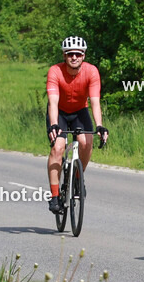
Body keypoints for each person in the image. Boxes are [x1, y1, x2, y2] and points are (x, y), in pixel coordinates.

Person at [46, 36, 108, 213]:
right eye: (70, 54)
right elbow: (53, 101)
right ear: (64, 55)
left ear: (84, 56)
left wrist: (100, 126)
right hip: (59, 112)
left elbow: (95, 101)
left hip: (80, 111)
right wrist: (53, 124)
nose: (74, 57)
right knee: (58, 147)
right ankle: (55, 195)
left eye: (78, 54)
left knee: (86, 143)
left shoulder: (91, 72)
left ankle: (78, 178)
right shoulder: (55, 71)